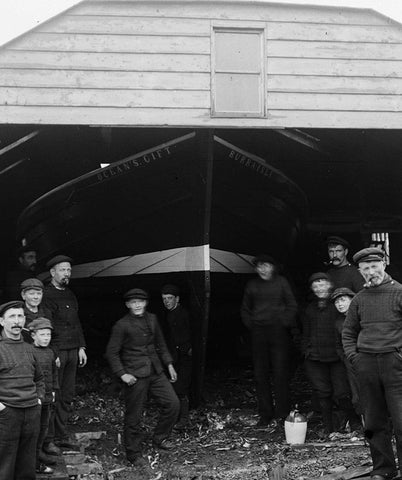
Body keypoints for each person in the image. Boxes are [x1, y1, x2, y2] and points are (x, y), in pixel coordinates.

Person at [343, 247, 402, 480]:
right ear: (360, 271)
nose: (371, 272)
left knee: (401, 421)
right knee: (374, 422)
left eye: (374, 266)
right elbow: (348, 333)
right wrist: (355, 358)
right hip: (366, 364)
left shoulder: (399, 292)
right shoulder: (359, 299)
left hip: (395, 364)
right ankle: (383, 469)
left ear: (384, 265)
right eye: (365, 268)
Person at [106, 288, 180, 465]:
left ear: (146, 303)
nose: (137, 305)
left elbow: (160, 344)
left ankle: (160, 437)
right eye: (133, 302)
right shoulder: (122, 325)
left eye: (140, 301)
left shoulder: (152, 319)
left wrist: (169, 365)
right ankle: (133, 454)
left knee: (173, 404)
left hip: (156, 371)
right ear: (128, 305)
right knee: (134, 415)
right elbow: (111, 353)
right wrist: (123, 374)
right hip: (135, 374)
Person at [241, 254, 297, 426]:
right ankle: (265, 414)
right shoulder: (252, 285)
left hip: (278, 333)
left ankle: (282, 413)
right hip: (259, 333)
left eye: (266, 265)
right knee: (260, 374)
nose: (262, 269)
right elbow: (245, 309)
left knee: (280, 373)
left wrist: (283, 323)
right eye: (259, 266)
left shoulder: (282, 282)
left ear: (273, 267)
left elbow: (292, 305)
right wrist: (253, 325)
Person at [42, 255, 87, 453]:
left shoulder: (70, 294)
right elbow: (47, 326)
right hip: (58, 351)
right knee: (54, 394)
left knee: (67, 395)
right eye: (63, 270)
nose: (67, 273)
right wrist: (54, 352)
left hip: (73, 350)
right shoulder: (46, 295)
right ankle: (48, 439)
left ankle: (61, 435)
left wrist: (81, 347)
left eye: (69, 270)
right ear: (53, 272)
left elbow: (76, 322)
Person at [302, 273, 357, 435]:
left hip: (336, 357)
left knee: (343, 392)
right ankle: (328, 428)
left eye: (322, 284)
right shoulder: (310, 308)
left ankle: (355, 424)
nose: (319, 289)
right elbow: (305, 332)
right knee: (323, 393)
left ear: (329, 285)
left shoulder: (337, 306)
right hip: (315, 357)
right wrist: (305, 349)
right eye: (315, 286)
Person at [0, 300, 44, 480]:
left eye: (20, 316)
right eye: (12, 316)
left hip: (32, 411)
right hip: (7, 413)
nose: (17, 321)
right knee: (4, 465)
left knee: (27, 464)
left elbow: (39, 379)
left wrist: (39, 399)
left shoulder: (29, 348)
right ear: (2, 321)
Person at [161, 284, 192, 429]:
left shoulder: (184, 314)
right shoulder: (167, 315)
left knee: (181, 387)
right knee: (174, 386)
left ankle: (184, 420)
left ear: (177, 299)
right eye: (164, 299)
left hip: (185, 356)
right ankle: (176, 417)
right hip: (173, 356)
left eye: (170, 298)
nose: (167, 301)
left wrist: (189, 349)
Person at [29, 317, 58, 475]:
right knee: (34, 429)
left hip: (47, 396)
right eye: (42, 334)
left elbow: (54, 372)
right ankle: (32, 461)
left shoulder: (50, 352)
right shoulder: (29, 352)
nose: (46, 338)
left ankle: (38, 453)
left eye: (48, 334)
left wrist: (53, 390)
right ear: (33, 335)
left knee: (44, 427)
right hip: (35, 399)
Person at [331, 287, 361, 420]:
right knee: (356, 394)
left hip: (369, 360)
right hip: (350, 361)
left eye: (343, 300)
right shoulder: (338, 322)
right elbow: (338, 344)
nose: (339, 304)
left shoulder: (363, 315)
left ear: (352, 300)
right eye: (336, 302)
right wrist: (345, 357)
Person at [20, 278, 52, 343]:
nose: (36, 297)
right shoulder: (19, 314)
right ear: (23, 295)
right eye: (32, 294)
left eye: (39, 293)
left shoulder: (47, 313)